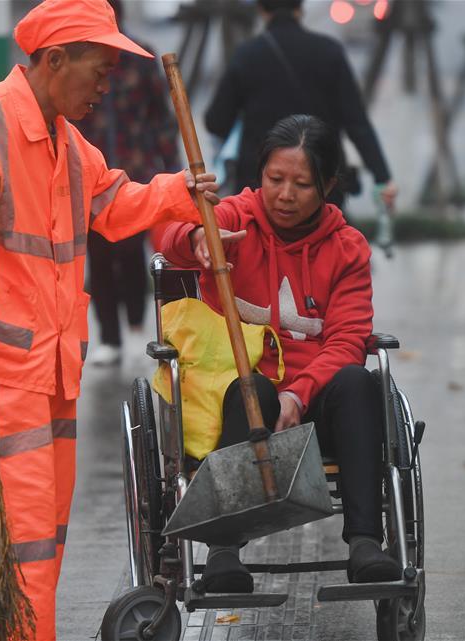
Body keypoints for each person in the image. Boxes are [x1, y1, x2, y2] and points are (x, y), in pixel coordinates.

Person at [0, 1, 217, 639]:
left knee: (44, 536)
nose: (106, 85)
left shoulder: (64, 138)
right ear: (55, 60)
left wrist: (181, 192)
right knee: (26, 538)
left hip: (49, 364)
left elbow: (112, 205)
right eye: (100, 70)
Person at [153, 114, 400, 593]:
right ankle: (224, 550)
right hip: (240, 399)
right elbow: (171, 236)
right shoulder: (234, 219)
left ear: (328, 185)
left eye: (302, 184)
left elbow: (348, 340)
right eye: (275, 179)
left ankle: (366, 543)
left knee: (359, 382)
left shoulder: (347, 248)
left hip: (316, 403)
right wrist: (198, 237)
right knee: (253, 389)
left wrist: (300, 394)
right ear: (260, 175)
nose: (285, 195)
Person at [205, 0, 398, 211]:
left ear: (261, 9)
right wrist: (382, 177)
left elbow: (216, 122)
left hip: (261, 186)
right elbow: (357, 123)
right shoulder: (330, 51)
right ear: (300, 8)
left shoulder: (246, 54)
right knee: (326, 231)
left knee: (258, 233)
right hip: (320, 181)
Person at [76, 0, 182, 366]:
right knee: (99, 259)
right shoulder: (81, 60)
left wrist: (171, 167)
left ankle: (137, 325)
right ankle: (110, 337)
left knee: (132, 253)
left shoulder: (140, 58)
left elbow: (161, 117)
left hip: (135, 171)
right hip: (91, 175)